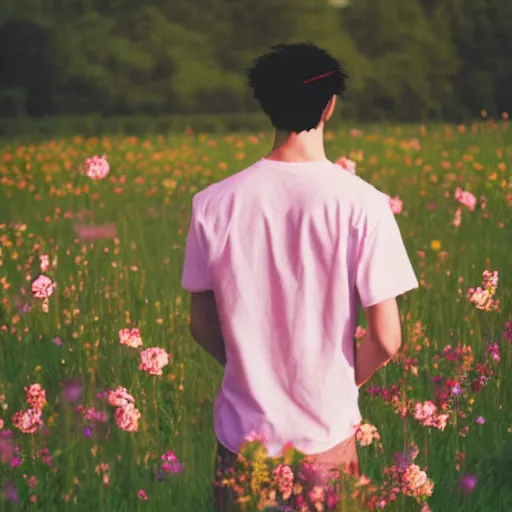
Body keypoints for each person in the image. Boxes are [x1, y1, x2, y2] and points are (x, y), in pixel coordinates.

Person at [181, 43, 418, 511]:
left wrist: (252, 371)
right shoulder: (364, 205)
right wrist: (337, 386)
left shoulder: (211, 204)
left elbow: (201, 324)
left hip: (242, 444)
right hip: (325, 438)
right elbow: (387, 340)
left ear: (266, 104)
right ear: (330, 105)